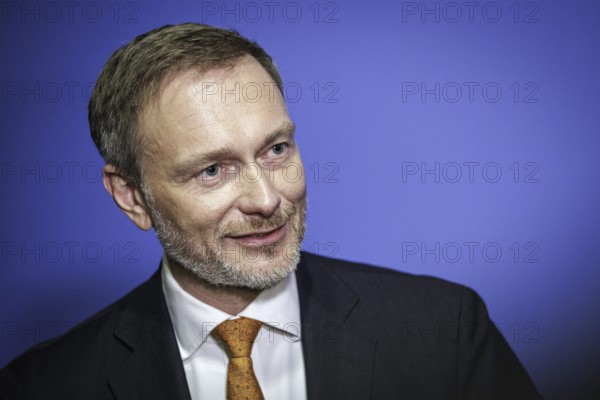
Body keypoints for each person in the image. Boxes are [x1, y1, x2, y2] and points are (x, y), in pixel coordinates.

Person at [0, 23, 542, 400]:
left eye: (276, 149)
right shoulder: (43, 387)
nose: (267, 199)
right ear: (132, 197)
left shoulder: (444, 331)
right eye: (212, 170)